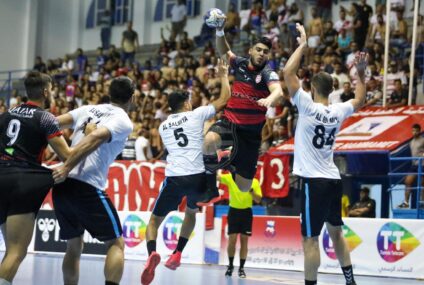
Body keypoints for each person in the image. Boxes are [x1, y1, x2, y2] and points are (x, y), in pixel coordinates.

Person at [283, 23, 367, 285]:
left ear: (313, 89)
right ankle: (350, 281)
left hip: (312, 181)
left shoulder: (306, 105)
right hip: (333, 178)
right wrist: (361, 75)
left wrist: (303, 45)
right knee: (337, 234)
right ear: (330, 90)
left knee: (310, 239)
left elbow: (287, 71)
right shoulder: (337, 111)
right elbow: (360, 99)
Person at [141, 59, 231, 285]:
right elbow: (224, 100)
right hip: (198, 178)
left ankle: (152, 252)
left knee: (153, 222)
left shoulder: (163, 126)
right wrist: (223, 75)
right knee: (190, 213)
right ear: (187, 104)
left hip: (174, 177)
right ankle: (178, 252)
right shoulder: (196, 114)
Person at [51, 76, 135, 285]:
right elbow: (96, 137)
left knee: (74, 245)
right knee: (116, 244)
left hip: (63, 186)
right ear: (132, 98)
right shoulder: (123, 120)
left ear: (109, 92)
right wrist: (68, 164)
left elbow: (50, 123)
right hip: (87, 187)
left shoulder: (87, 109)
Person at [199, 14, 283, 205]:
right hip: (230, 123)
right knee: (209, 140)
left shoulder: (268, 73)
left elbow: (278, 91)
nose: (262, 53)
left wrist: (269, 98)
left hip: (250, 135)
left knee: (244, 187)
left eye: (266, 52)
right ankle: (211, 188)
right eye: (259, 49)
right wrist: (220, 31)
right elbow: (224, 50)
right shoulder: (241, 64)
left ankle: (232, 166)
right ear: (251, 50)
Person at [0, 71, 71, 284]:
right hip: (22, 182)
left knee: (9, 249)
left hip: (1, 175)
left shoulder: (7, 114)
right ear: (46, 91)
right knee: (16, 251)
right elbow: (66, 155)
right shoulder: (45, 118)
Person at [220, 171, 262, 278]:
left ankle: (241, 268)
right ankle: (230, 266)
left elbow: (258, 199)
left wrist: (251, 191)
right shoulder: (230, 178)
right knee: (232, 239)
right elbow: (217, 178)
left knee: (244, 240)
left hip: (246, 212)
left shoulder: (254, 182)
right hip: (233, 211)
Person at [398, 124, 424, 208]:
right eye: (413, 131)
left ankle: (423, 202)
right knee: (407, 181)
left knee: (422, 183)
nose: (414, 132)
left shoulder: (423, 140)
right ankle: (406, 203)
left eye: (416, 131)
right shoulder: (411, 142)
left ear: (419, 131)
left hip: (422, 164)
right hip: (414, 165)